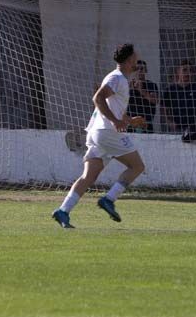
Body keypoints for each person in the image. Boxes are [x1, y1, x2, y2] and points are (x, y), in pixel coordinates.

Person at [52, 43, 147, 229]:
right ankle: (109, 199)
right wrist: (114, 121)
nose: (138, 61)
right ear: (129, 61)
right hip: (106, 132)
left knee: (88, 176)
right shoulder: (117, 77)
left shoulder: (119, 79)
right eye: (136, 58)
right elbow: (97, 98)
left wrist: (128, 120)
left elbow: (113, 109)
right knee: (137, 166)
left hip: (96, 133)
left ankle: (63, 210)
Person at [162, 59, 196, 139]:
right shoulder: (169, 90)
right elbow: (164, 110)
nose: (188, 73)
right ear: (178, 71)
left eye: (190, 70)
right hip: (177, 129)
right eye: (184, 70)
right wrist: (171, 124)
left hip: (195, 129)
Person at [127, 59, 158, 133]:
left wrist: (141, 90)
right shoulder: (128, 85)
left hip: (146, 124)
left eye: (141, 69)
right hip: (131, 124)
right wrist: (128, 89)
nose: (139, 71)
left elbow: (155, 100)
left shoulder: (151, 85)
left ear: (145, 70)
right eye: (136, 69)